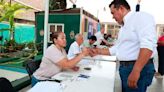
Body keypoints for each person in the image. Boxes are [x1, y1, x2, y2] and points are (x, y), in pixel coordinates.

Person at [90, 0, 157, 92]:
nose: (113, 17)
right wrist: (98, 51)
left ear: (121, 8)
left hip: (136, 68)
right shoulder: (124, 26)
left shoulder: (140, 17)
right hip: (127, 68)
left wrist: (136, 70)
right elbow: (119, 48)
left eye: (113, 13)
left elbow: (148, 45)